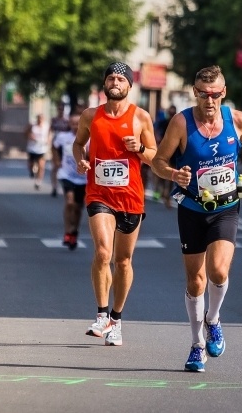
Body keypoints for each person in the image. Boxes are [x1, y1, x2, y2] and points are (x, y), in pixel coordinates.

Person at [151, 65, 242, 373]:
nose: (208, 101)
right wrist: (175, 173)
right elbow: (158, 161)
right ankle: (197, 344)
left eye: (214, 94)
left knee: (218, 270)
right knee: (195, 281)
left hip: (226, 206)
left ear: (223, 93)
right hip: (192, 208)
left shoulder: (237, 120)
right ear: (195, 93)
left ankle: (213, 319)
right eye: (202, 94)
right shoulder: (181, 123)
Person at [73, 62, 156, 346]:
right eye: (111, 78)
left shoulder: (141, 117)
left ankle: (117, 320)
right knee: (102, 252)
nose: (115, 82)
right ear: (104, 84)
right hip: (99, 195)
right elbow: (77, 144)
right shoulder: (90, 116)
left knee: (123, 261)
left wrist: (140, 149)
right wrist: (80, 160)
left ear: (130, 86)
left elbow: (155, 156)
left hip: (131, 197)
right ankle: (101, 314)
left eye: (121, 78)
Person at [53, 114, 87, 250]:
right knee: (69, 202)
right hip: (66, 175)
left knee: (78, 207)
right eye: (73, 123)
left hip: (83, 178)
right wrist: (56, 161)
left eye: (78, 123)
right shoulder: (63, 137)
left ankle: (74, 231)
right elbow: (54, 147)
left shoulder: (89, 139)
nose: (75, 126)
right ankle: (67, 231)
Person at [153, 105, 178, 208]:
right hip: (164, 150)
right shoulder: (164, 122)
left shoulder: (178, 123)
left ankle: (167, 195)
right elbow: (156, 131)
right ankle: (161, 191)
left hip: (175, 152)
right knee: (162, 173)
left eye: (173, 113)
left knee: (172, 174)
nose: (171, 115)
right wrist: (158, 140)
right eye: (170, 113)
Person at [49, 102, 70, 197]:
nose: (60, 111)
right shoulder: (54, 120)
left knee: (64, 165)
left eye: (62, 109)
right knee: (55, 166)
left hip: (65, 146)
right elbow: (50, 131)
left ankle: (66, 185)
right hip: (56, 145)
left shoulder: (67, 121)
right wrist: (48, 141)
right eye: (59, 109)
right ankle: (54, 186)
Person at [25, 113, 49, 190]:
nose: (40, 120)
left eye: (41, 119)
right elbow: (25, 133)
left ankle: (38, 181)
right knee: (31, 164)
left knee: (41, 166)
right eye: (39, 119)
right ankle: (31, 171)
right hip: (32, 148)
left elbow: (49, 135)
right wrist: (30, 136)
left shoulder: (46, 126)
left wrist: (48, 141)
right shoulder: (32, 125)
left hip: (42, 149)